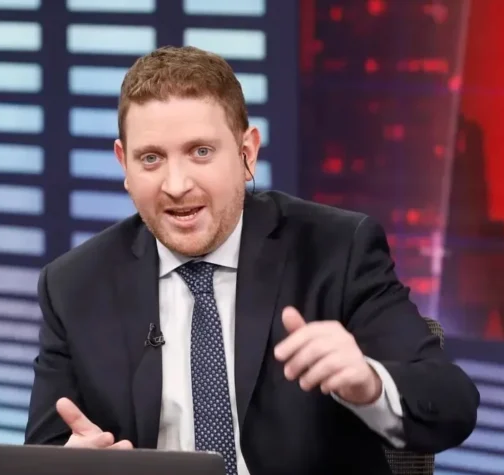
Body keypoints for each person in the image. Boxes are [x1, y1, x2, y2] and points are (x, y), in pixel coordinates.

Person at [24, 45, 480, 474]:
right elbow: (41, 452)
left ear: (246, 154)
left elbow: (451, 403)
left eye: (201, 152)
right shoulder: (74, 286)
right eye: (151, 159)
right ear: (124, 163)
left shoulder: (335, 251)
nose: (176, 185)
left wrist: (370, 385)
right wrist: (68, 465)